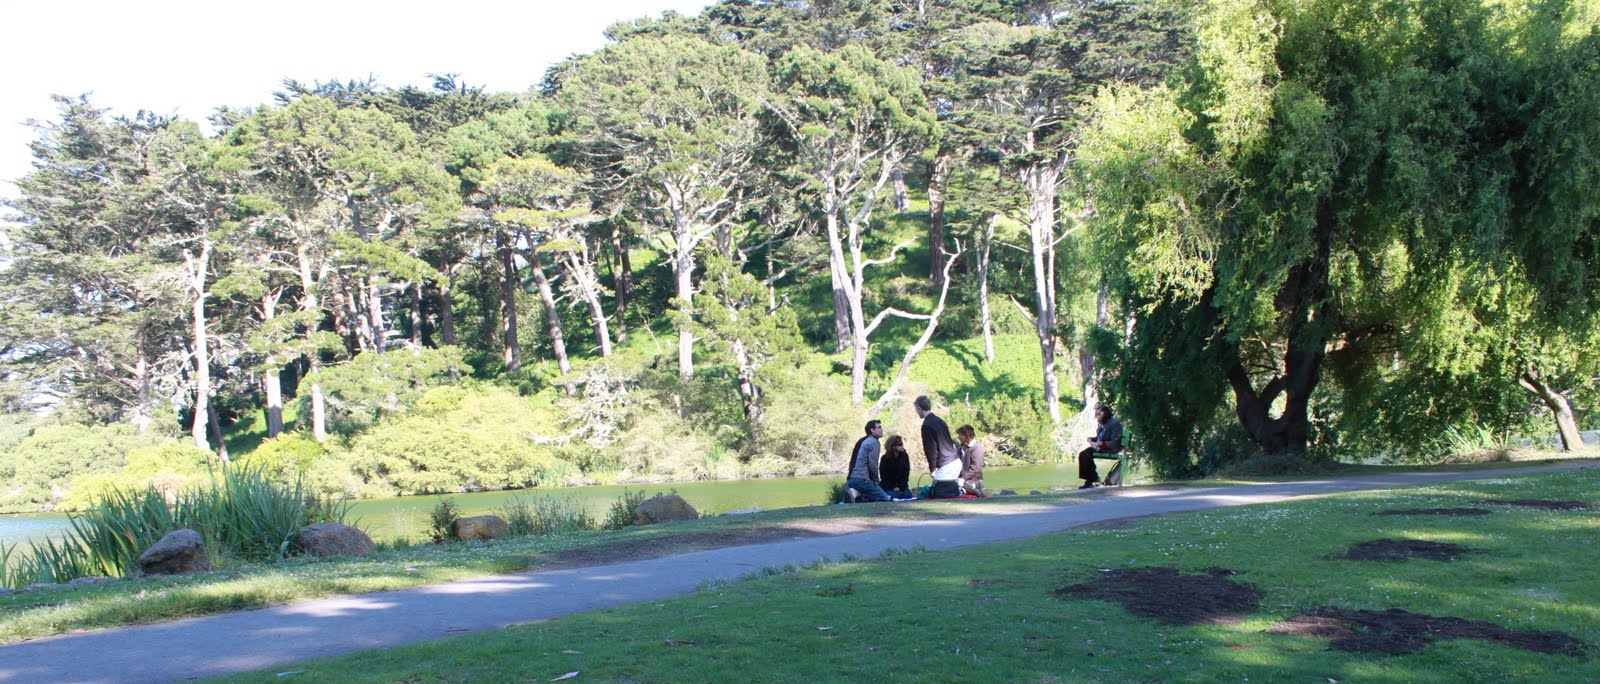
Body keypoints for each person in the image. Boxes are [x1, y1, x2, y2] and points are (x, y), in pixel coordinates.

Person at [914, 395, 962, 496]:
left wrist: (932, 469)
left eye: (916, 409)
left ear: (920, 408)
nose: (916, 412)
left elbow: (931, 450)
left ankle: (963, 491)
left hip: (947, 464)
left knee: (939, 493)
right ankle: (962, 490)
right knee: (948, 490)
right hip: (955, 461)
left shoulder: (927, 425)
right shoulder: (940, 421)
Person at [846, 420, 894, 502]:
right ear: (872, 430)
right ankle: (857, 494)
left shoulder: (863, 440)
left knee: (872, 497)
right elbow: (873, 465)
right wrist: (876, 482)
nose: (882, 429)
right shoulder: (873, 442)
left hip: (852, 479)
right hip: (862, 480)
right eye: (879, 427)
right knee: (886, 498)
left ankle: (856, 494)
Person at [1078, 405, 1124, 489]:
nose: (1097, 417)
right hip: (1101, 447)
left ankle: (1092, 480)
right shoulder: (1101, 424)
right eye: (1096, 414)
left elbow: (1116, 442)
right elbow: (1100, 438)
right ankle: (1092, 479)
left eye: (1099, 414)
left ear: (1106, 414)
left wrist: (1100, 444)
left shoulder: (1114, 424)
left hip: (1111, 449)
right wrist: (1092, 439)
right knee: (1083, 454)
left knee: (1086, 454)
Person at [956, 425, 986, 497]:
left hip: (974, 480)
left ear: (967, 435)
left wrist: (962, 479)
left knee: (958, 491)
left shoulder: (977, 449)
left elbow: (976, 468)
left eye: (960, 435)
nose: (958, 437)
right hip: (960, 480)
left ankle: (976, 489)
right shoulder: (960, 449)